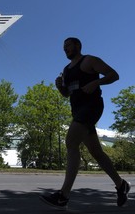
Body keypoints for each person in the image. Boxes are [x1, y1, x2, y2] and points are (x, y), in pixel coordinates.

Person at [41, 37, 131, 209]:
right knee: (96, 152)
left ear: (78, 45)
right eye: (63, 47)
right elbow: (67, 94)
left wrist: (96, 82)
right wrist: (60, 87)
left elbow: (114, 75)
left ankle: (63, 196)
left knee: (71, 142)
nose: (65, 49)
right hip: (78, 111)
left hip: (92, 107)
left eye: (68, 45)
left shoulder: (89, 60)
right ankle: (121, 185)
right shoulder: (66, 70)